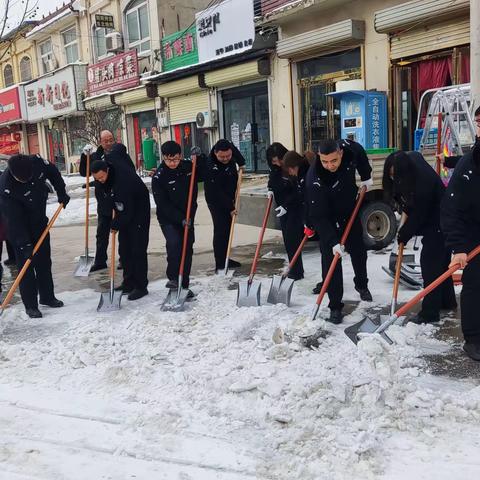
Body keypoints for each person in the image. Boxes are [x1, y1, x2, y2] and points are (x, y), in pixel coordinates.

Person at [383, 150, 456, 324]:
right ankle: (447, 301)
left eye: (396, 175)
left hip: (441, 219)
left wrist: (404, 234)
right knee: (441, 264)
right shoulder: (410, 163)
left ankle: (430, 312)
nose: (393, 178)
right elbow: (410, 203)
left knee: (431, 265)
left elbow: (419, 214)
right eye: (391, 175)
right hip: (432, 214)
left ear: (405, 172)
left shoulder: (424, 181)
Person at [305, 138, 373, 324]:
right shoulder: (315, 179)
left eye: (334, 160)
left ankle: (361, 285)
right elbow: (318, 216)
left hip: (349, 212)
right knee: (331, 262)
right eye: (325, 161)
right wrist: (332, 241)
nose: (329, 165)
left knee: (359, 252)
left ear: (340, 153)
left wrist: (366, 176)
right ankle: (335, 306)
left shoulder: (350, 152)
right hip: (328, 218)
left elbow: (359, 150)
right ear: (319, 157)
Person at [0, 154, 70, 318]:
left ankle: (47, 297)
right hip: (19, 228)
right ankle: (30, 305)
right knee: (26, 266)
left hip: (39, 222)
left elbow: (53, 172)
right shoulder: (5, 186)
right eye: (22, 179)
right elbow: (12, 220)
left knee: (44, 260)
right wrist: (24, 244)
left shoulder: (37, 163)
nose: (26, 180)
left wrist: (61, 192)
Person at [441, 121, 480, 361]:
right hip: (473, 234)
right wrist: (458, 247)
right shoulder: (468, 166)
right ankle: (473, 339)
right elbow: (451, 210)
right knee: (475, 285)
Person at [91, 159, 150, 301]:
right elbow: (103, 203)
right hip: (121, 210)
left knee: (137, 249)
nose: (100, 180)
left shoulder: (123, 180)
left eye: (102, 177)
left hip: (138, 211)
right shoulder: (101, 182)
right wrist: (110, 218)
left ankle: (141, 286)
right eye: (96, 178)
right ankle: (128, 283)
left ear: (107, 171)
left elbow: (128, 210)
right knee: (124, 249)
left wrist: (115, 224)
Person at [152, 142, 203, 297]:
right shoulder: (159, 177)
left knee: (187, 249)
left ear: (180, 156)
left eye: (175, 159)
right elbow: (163, 205)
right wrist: (180, 219)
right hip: (169, 218)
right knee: (175, 244)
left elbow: (205, 174)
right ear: (163, 158)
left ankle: (183, 285)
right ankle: (174, 278)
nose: (172, 163)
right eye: (168, 160)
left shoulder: (189, 168)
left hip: (188, 215)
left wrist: (200, 158)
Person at [80, 131, 135, 272]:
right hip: (103, 199)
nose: (109, 143)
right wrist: (85, 157)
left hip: (119, 199)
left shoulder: (120, 154)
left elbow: (130, 170)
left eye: (111, 140)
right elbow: (84, 172)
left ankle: (124, 258)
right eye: (106, 140)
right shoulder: (96, 156)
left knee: (122, 230)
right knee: (102, 232)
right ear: (101, 141)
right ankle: (100, 260)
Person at [268, 147, 310, 281]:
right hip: (284, 208)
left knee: (293, 239)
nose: (277, 164)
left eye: (278, 160)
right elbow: (273, 181)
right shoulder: (278, 169)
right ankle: (294, 269)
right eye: (274, 162)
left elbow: (299, 192)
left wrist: (287, 205)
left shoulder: (300, 170)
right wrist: (270, 188)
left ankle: (297, 271)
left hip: (295, 208)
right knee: (288, 240)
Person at [204, 139, 245, 272]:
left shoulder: (230, 154)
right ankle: (220, 264)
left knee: (228, 229)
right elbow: (217, 192)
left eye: (228, 156)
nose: (226, 159)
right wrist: (231, 208)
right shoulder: (210, 166)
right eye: (222, 157)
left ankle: (226, 257)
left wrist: (242, 163)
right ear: (216, 153)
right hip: (216, 201)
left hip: (230, 197)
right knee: (221, 230)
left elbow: (238, 156)